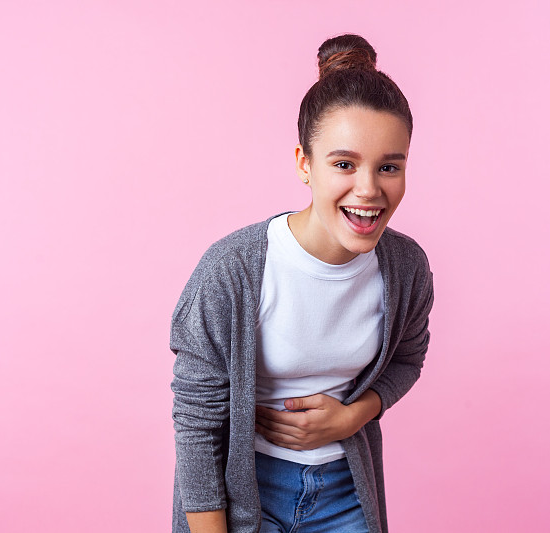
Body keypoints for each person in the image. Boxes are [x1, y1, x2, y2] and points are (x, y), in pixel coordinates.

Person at [170, 33, 434, 533]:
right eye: (343, 164)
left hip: (346, 495)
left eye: (389, 167)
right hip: (247, 496)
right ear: (303, 164)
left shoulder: (407, 268)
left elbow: (407, 358)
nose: (369, 189)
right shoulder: (233, 271)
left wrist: (355, 415)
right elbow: (197, 425)